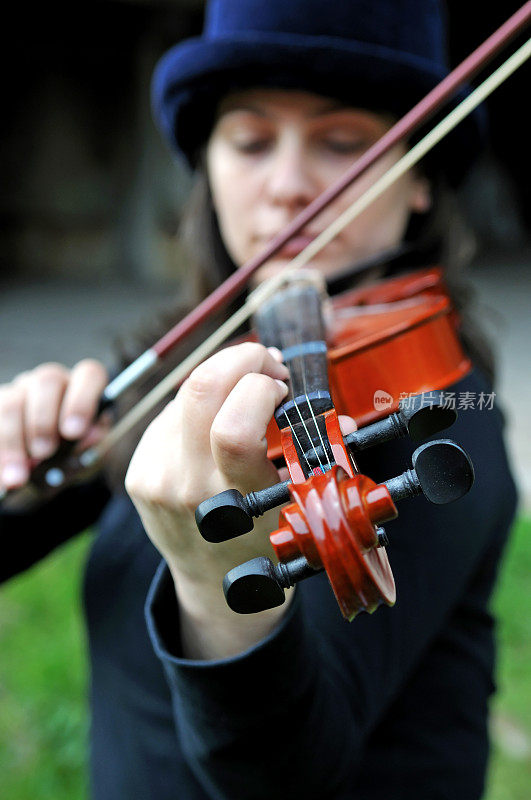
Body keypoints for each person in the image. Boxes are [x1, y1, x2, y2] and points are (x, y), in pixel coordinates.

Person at [0, 1, 518, 798]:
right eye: (248, 141)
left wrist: (213, 587)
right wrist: (29, 460)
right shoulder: (188, 359)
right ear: (205, 165)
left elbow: (280, 774)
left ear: (419, 177)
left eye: (344, 143)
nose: (285, 188)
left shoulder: (439, 430)